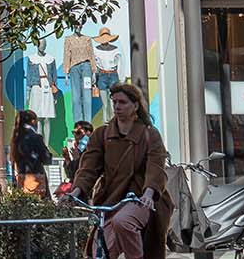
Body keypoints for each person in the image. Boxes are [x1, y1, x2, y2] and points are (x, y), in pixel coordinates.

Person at [59, 82, 170, 259]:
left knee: (123, 221)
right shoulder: (102, 134)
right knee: (99, 251)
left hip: (141, 199)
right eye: (114, 102)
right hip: (112, 199)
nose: (117, 106)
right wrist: (75, 192)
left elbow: (155, 166)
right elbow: (89, 168)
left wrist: (149, 193)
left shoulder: (149, 134)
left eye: (123, 102)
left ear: (135, 105)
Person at [10, 108, 53, 195]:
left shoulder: (16, 137)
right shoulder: (36, 138)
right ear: (33, 121)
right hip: (35, 179)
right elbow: (46, 158)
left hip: (20, 179)